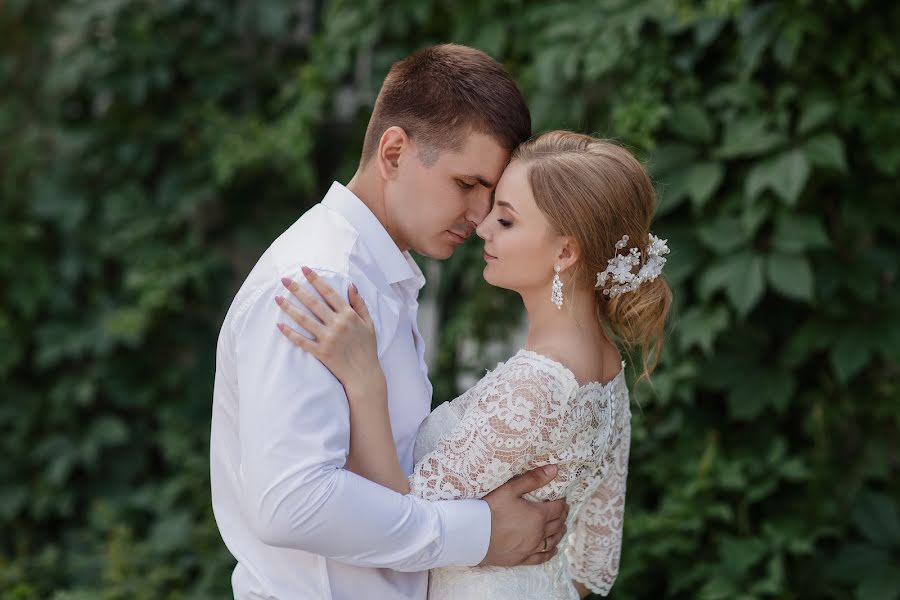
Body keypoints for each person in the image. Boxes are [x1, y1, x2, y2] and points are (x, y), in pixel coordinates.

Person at [210, 44, 570, 600]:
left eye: (491, 194)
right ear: (395, 152)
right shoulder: (319, 280)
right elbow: (292, 503)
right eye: (467, 185)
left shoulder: (378, 276)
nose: (479, 219)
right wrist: (480, 533)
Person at [275, 130, 673, 598]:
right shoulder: (609, 372)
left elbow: (397, 517)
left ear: (565, 252)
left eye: (505, 221)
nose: (482, 228)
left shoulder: (536, 387)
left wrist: (364, 379)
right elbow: (594, 564)